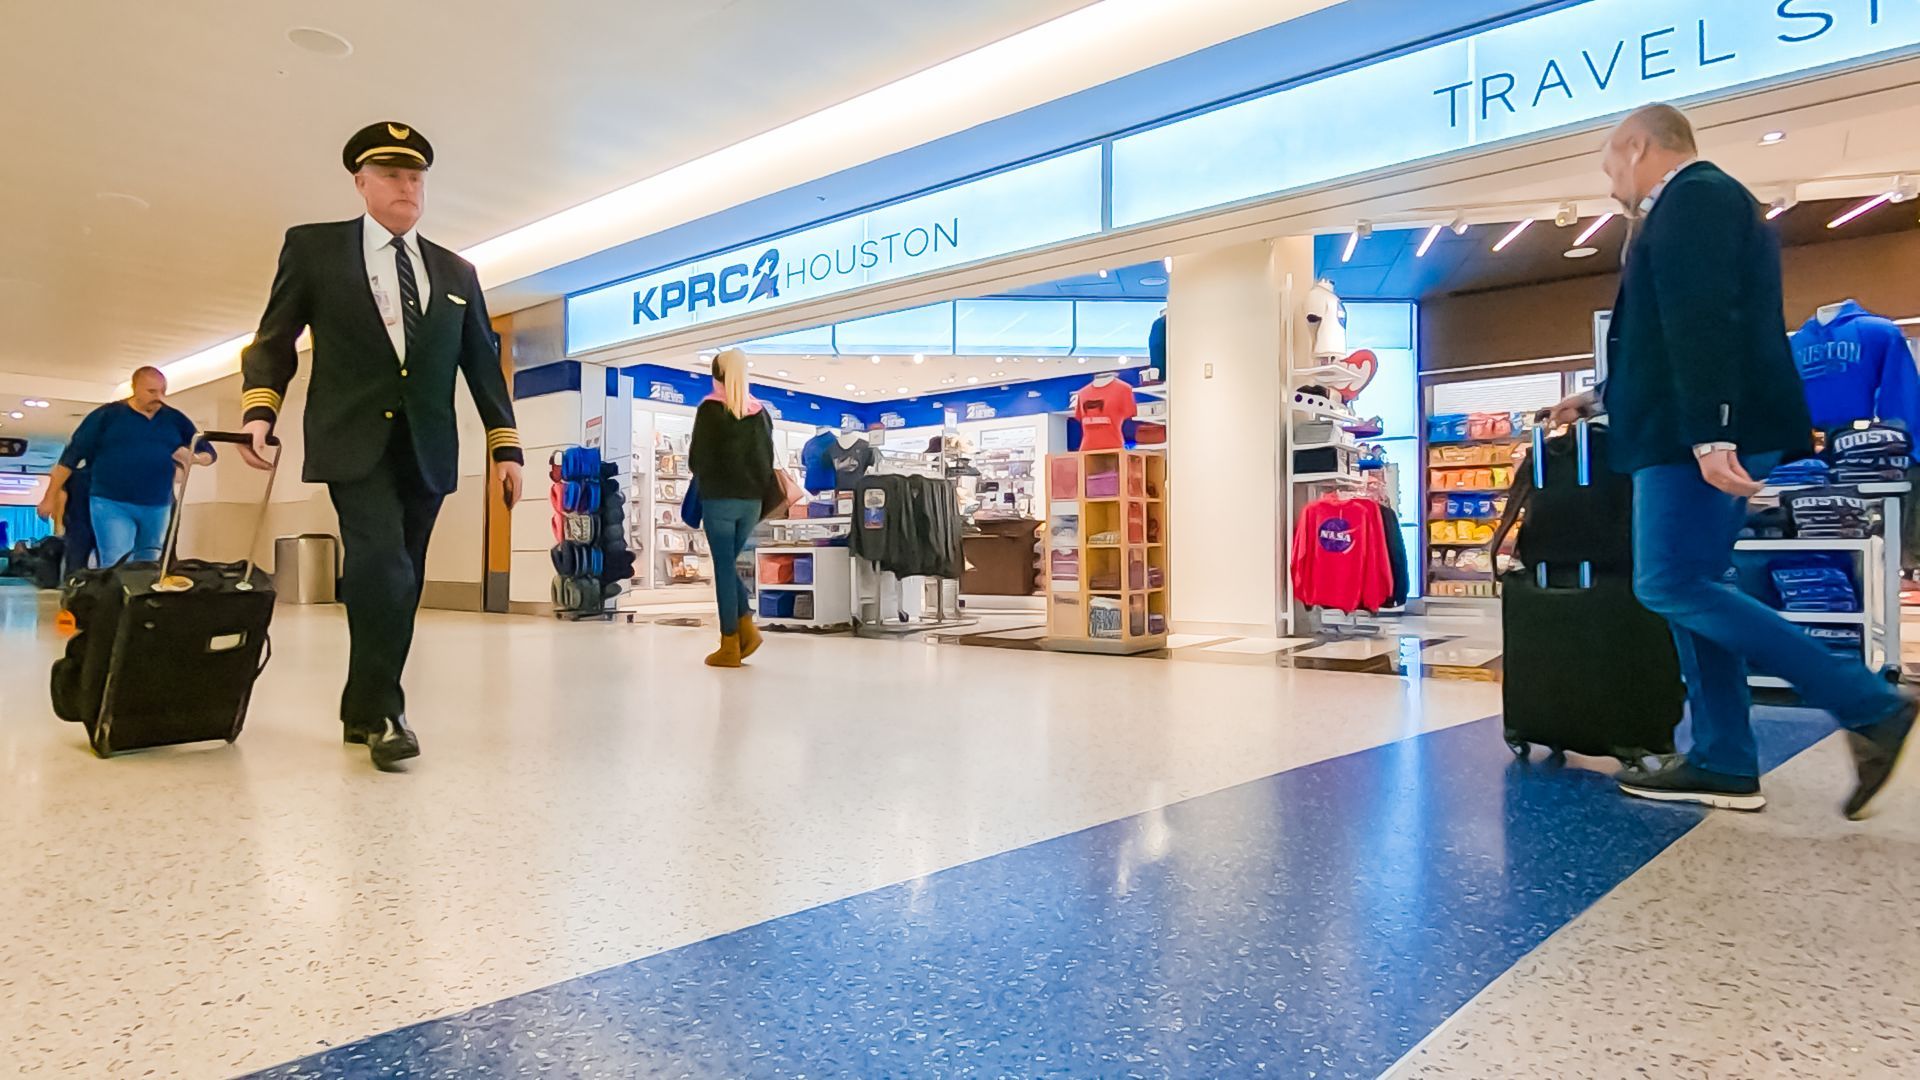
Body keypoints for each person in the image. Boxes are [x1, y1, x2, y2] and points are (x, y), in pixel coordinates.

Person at [1552, 103, 1914, 818]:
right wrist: (1599, 398)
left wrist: (1712, 432)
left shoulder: (1696, 197)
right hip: (1685, 425)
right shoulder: (1705, 204)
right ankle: (1723, 758)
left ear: (1636, 146)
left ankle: (1869, 704)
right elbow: (1673, 337)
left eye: (1608, 166)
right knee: (1698, 583)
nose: (1610, 185)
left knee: (1669, 585)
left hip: (1692, 438)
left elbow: (1703, 319)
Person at [235, 121, 524, 771]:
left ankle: (361, 707)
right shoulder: (314, 250)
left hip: (426, 447)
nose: (407, 186)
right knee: (382, 568)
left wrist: (506, 446)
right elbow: (274, 338)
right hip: (353, 440)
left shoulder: (456, 271)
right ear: (361, 183)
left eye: (416, 176)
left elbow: (482, 362)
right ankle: (387, 711)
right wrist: (262, 409)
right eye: (392, 175)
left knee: (404, 580)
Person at [36, 367, 212, 566]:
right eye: (151, 392)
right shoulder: (107, 416)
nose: (159, 397)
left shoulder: (174, 419)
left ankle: (139, 597)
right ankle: (116, 596)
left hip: (158, 504)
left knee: (149, 562)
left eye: (162, 391)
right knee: (117, 560)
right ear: (135, 388)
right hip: (111, 501)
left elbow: (208, 450)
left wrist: (195, 458)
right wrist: (49, 497)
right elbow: (70, 458)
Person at [688, 348, 774, 668]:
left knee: (724, 569)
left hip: (719, 501)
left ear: (716, 376)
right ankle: (747, 629)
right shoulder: (760, 412)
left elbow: (697, 459)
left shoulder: (710, 410)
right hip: (751, 503)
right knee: (729, 566)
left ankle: (730, 644)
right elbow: (768, 463)